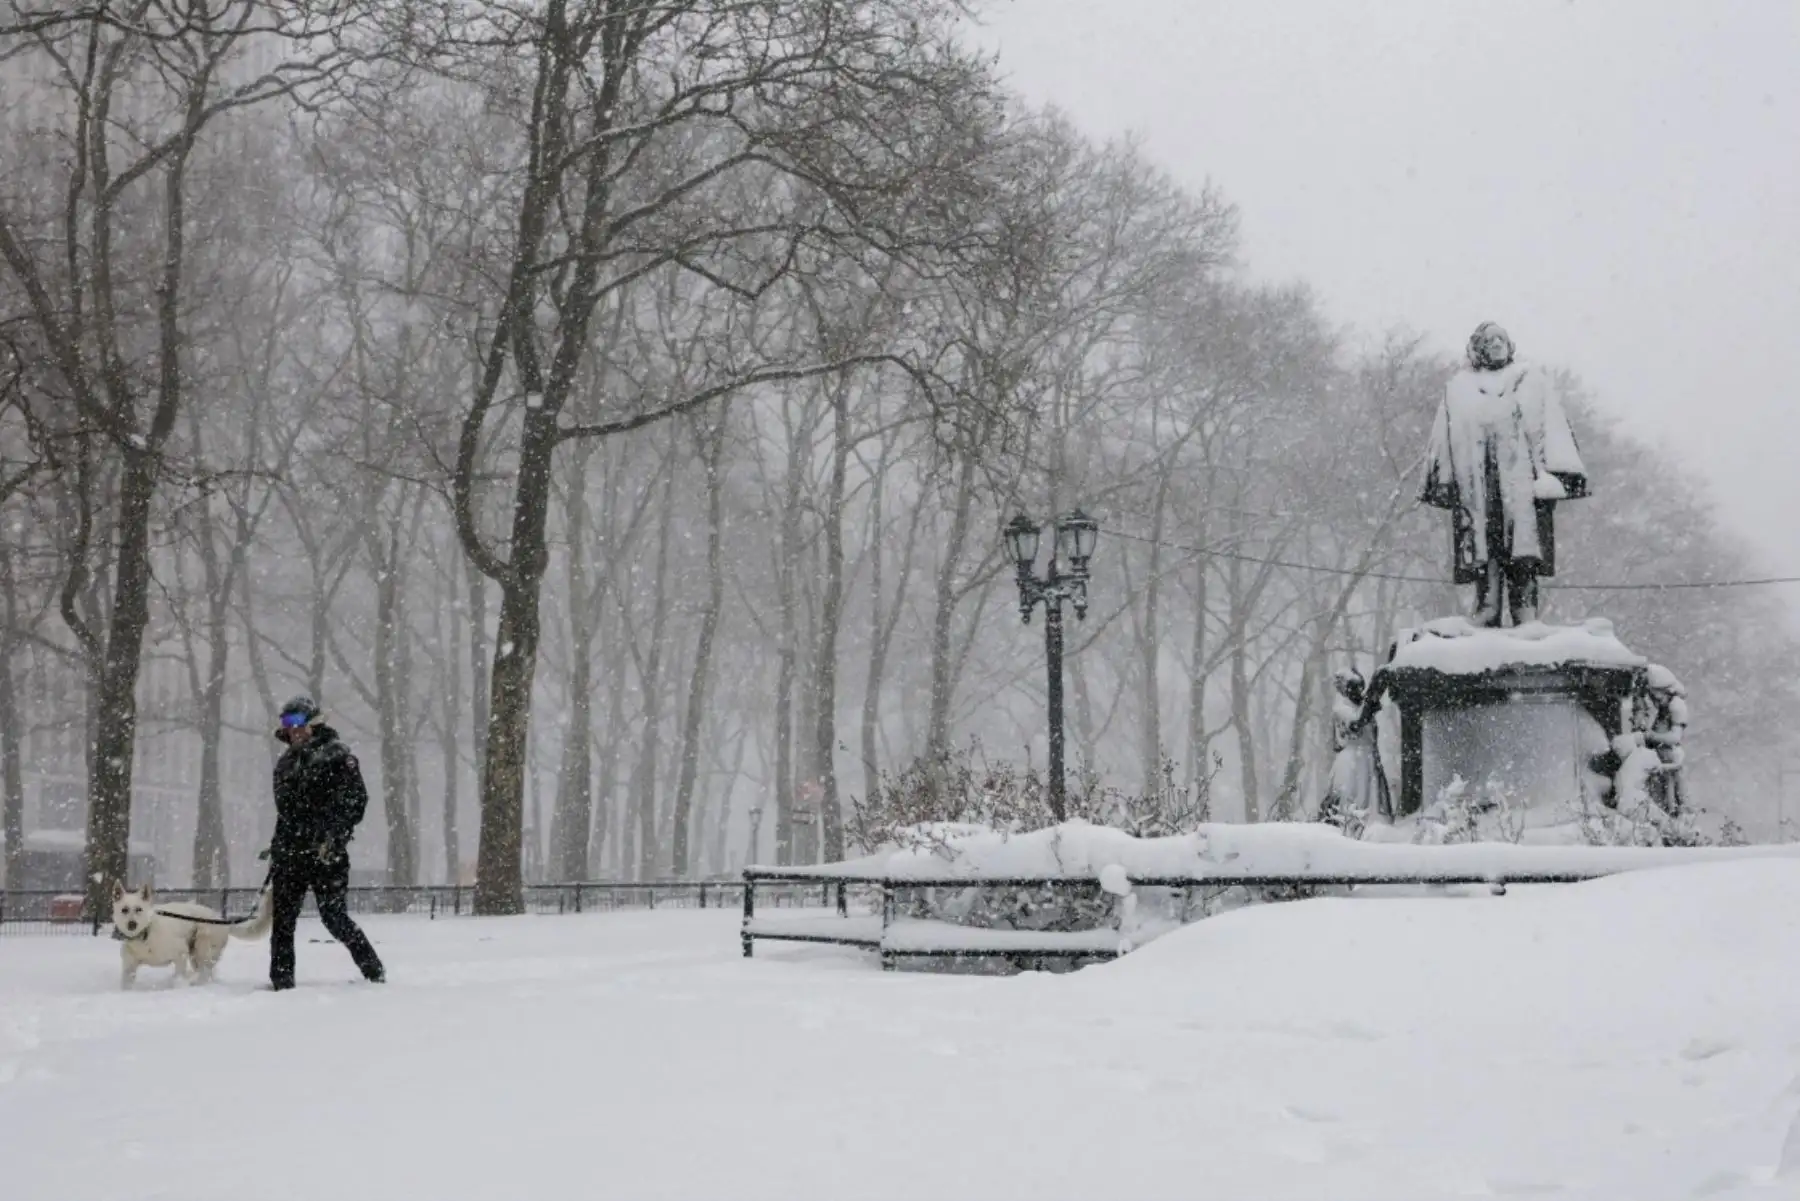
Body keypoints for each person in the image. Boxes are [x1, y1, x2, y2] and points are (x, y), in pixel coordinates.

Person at [1421, 322, 1589, 627]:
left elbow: (1551, 428)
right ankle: (1488, 606)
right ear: (1478, 348)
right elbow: (1445, 439)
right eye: (1490, 340)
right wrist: (1442, 479)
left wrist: (1559, 474)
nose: (1497, 344)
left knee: (1524, 549)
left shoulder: (1530, 380)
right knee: (1484, 548)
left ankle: (1524, 608)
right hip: (1479, 486)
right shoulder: (1460, 388)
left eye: (1502, 339)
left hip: (1522, 484)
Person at [267, 696, 385, 991]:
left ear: (314, 723)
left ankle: (373, 970)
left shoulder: (337, 756)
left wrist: (333, 835)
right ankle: (281, 982)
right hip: (290, 854)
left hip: (326, 854)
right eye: (286, 723)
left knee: (334, 917)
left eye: (297, 721)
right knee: (283, 920)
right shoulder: (285, 764)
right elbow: (285, 815)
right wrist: (277, 849)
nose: (292, 729)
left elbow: (356, 801)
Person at [1317, 668, 1392, 835]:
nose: (1359, 691)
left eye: (1361, 687)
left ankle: (1372, 833)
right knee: (1352, 802)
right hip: (1353, 762)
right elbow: (1356, 723)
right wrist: (1371, 700)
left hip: (1368, 759)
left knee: (1371, 803)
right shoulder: (1341, 708)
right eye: (1354, 687)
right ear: (1345, 689)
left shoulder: (1360, 706)